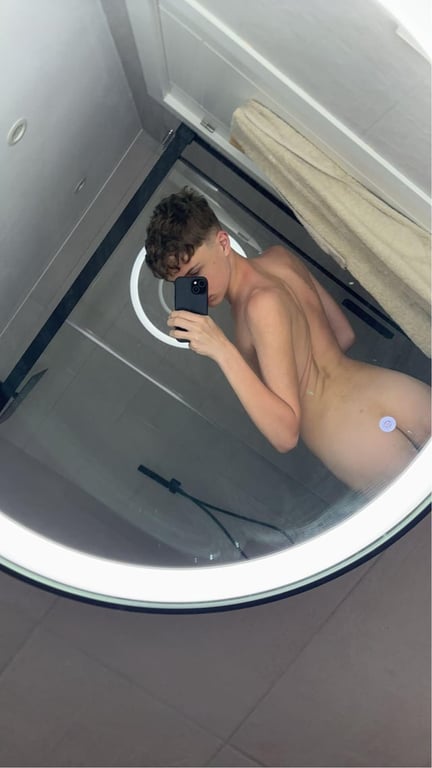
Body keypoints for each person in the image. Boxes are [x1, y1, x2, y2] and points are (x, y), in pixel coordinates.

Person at [145, 187, 431, 494]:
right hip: (399, 393)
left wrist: (221, 348)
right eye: (182, 284)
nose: (195, 288)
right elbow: (343, 333)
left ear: (223, 242)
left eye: (196, 273)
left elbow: (285, 434)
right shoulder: (280, 258)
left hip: (356, 437)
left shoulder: (257, 306)